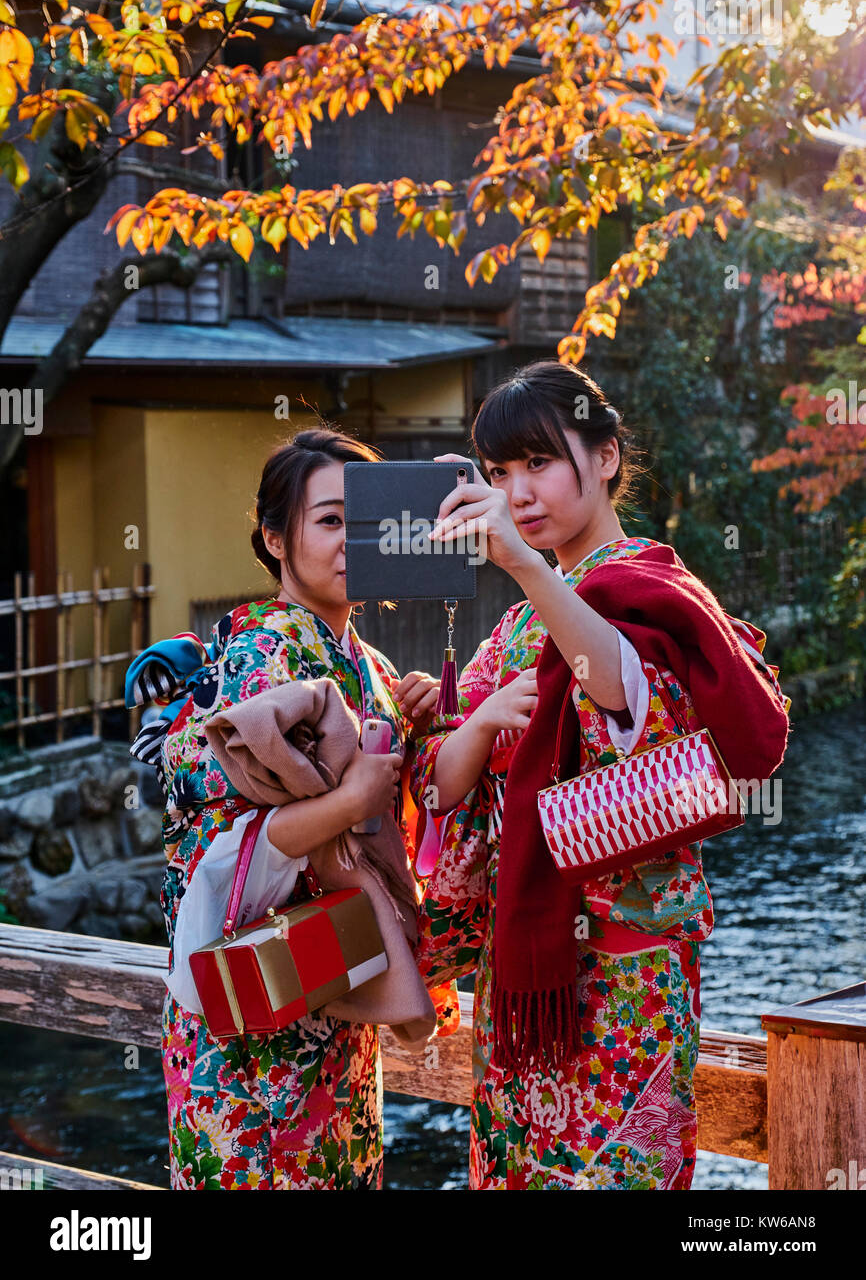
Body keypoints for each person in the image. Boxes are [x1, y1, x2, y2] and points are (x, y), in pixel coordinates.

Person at [410, 359, 790, 1190]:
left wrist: (522, 565)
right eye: (503, 474)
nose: (521, 492)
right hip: (523, 975)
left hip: (627, 964)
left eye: (540, 463)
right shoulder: (515, 622)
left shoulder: (648, 580)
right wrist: (472, 723)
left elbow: (623, 694)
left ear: (608, 456)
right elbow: (439, 791)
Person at [130, 427, 455, 1190]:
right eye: (330, 520)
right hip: (253, 998)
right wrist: (351, 798)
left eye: (368, 524)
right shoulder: (258, 651)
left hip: (333, 990)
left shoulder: (368, 667)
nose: (352, 542)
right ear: (276, 538)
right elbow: (224, 844)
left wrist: (423, 717)